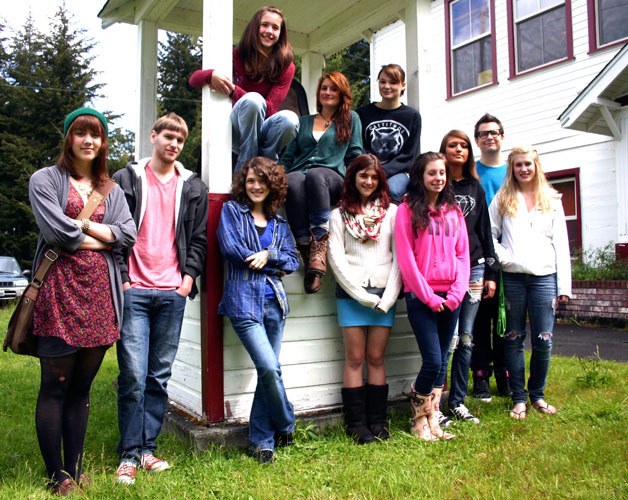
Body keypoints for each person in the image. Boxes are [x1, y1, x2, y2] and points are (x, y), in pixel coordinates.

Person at [28, 108, 136, 495]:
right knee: (55, 384)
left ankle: (75, 466)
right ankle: (56, 474)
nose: (88, 141)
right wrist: (103, 238)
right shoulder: (45, 179)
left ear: (103, 142)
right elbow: (57, 231)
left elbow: (128, 234)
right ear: (69, 138)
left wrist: (87, 226)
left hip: (100, 298)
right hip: (59, 294)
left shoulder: (113, 188)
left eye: (96, 135)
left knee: (82, 388)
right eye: (81, 133)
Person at [113, 113, 208, 484]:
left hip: (172, 292)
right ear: (153, 136)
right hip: (133, 290)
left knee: (158, 376)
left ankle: (148, 449)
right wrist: (122, 280)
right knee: (133, 376)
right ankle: (128, 454)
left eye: (180, 140)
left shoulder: (192, 186)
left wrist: (187, 280)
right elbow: (115, 234)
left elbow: (197, 238)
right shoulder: (127, 179)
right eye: (168, 136)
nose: (173, 144)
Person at [217, 156, 299, 463]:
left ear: (271, 185)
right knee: (267, 367)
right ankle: (287, 421)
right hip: (243, 303)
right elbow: (232, 249)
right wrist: (269, 260)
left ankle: (262, 441)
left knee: (270, 373)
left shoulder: (280, 224)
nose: (255, 186)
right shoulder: (232, 212)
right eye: (250, 180)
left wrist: (269, 254)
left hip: (275, 303)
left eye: (261, 181)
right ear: (243, 184)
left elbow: (293, 260)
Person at [489, 146, 571, 419]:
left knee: (543, 340)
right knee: (513, 339)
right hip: (513, 278)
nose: (523, 169)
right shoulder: (504, 198)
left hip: (544, 279)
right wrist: (505, 259)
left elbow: (561, 243)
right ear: (511, 169)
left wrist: (565, 287)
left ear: (536, 166)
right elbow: (490, 233)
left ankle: (537, 394)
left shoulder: (552, 199)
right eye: (518, 165)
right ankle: (518, 398)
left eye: (528, 164)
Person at [327, 154, 402, 444]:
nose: (368, 181)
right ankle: (356, 424)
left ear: (380, 179)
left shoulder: (392, 213)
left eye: (373, 176)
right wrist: (360, 295)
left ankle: (379, 421)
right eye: (363, 176)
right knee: (355, 358)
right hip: (351, 295)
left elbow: (399, 257)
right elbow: (335, 258)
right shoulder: (338, 216)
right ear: (353, 178)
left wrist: (389, 297)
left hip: (386, 295)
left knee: (376, 358)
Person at [395, 152, 469, 441]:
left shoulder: (454, 211)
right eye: (432, 173)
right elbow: (406, 260)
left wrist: (456, 292)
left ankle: (433, 418)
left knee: (443, 360)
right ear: (420, 177)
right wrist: (428, 297)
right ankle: (418, 420)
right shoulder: (406, 210)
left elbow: (463, 255)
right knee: (433, 360)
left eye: (442, 173)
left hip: (451, 296)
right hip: (421, 296)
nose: (438, 178)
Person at [281, 71, 363, 294]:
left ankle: (319, 243)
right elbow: (288, 157)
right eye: (324, 88)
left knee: (316, 174)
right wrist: (277, 179)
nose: (327, 92)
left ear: (342, 93)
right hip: (302, 177)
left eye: (333, 88)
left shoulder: (350, 119)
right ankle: (307, 252)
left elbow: (355, 155)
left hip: (333, 179)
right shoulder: (303, 122)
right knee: (294, 179)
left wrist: (356, 186)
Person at [189, 6, 299, 171]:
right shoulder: (237, 55)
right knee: (253, 100)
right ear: (255, 26)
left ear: (280, 34)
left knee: (290, 119)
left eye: (275, 28)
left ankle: (266, 167)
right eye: (265, 25)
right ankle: (246, 167)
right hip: (235, 127)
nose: (269, 31)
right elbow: (193, 79)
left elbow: (269, 109)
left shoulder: (286, 66)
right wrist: (210, 75)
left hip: (262, 128)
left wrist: (234, 91)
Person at [439, 130, 499, 426]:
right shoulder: (437, 183)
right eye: (453, 145)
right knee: (446, 340)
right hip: (444, 270)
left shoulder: (475, 187)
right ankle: (435, 403)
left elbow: (484, 230)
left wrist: (491, 272)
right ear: (444, 150)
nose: (459, 150)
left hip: (474, 266)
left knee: (466, 338)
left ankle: (458, 402)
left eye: (463, 145)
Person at [470, 113, 511, 401]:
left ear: (502, 136)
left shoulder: (514, 171)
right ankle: (481, 376)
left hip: (510, 255)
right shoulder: (471, 171)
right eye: (484, 133)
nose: (489, 137)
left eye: (494, 132)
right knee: (480, 320)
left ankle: (506, 375)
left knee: (506, 322)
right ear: (477, 140)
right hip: (480, 254)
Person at [356, 64, 421, 203]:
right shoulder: (362, 113)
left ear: (403, 85)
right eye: (382, 81)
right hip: (367, 169)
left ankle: (392, 224)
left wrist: (382, 173)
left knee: (389, 191)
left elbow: (409, 155)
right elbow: (360, 147)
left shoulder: (412, 116)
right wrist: (371, 171)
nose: (386, 86)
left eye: (393, 82)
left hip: (398, 173)